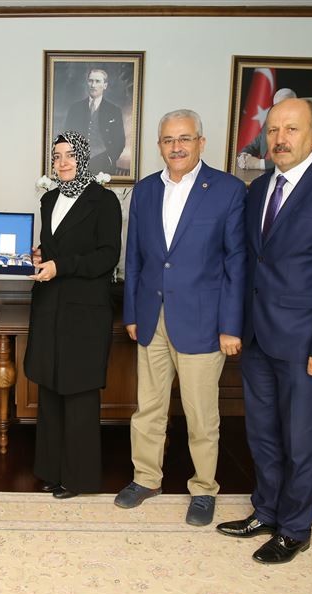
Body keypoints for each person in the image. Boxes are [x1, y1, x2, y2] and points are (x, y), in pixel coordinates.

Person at [216, 98, 312, 564]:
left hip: (306, 344)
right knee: (262, 435)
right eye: (273, 130)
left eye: (291, 129)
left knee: (301, 441)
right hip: (258, 339)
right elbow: (251, 263)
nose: (279, 139)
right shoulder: (259, 188)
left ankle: (295, 528)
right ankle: (266, 511)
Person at [116, 110, 246, 525]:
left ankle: (204, 489)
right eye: (169, 140)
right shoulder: (145, 191)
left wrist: (231, 325)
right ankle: (146, 478)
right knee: (148, 408)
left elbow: (237, 263)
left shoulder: (227, 190)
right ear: (159, 146)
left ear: (201, 142)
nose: (177, 147)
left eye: (185, 138)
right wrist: (133, 313)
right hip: (151, 317)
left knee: (201, 414)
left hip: (204, 322)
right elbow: (134, 258)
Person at [24, 131, 122, 499]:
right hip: (49, 306)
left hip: (84, 313)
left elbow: (107, 256)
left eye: (70, 155)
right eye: (56, 156)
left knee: (79, 393)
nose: (62, 162)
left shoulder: (104, 200)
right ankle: (51, 470)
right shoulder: (48, 199)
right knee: (49, 388)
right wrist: (40, 256)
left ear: (83, 158)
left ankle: (79, 478)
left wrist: (59, 265)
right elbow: (54, 248)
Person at [63, 68, 126, 175]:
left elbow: (120, 141)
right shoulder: (75, 109)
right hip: (78, 166)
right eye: (90, 81)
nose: (93, 85)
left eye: (97, 81)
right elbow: (66, 137)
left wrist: (110, 159)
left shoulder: (114, 110)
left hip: (104, 166)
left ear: (105, 85)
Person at [237, 88, 297, 171]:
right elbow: (253, 146)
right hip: (263, 176)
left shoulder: (298, 129)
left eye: (284, 107)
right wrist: (243, 157)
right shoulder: (269, 125)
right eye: (276, 107)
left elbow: (293, 160)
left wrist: (258, 164)